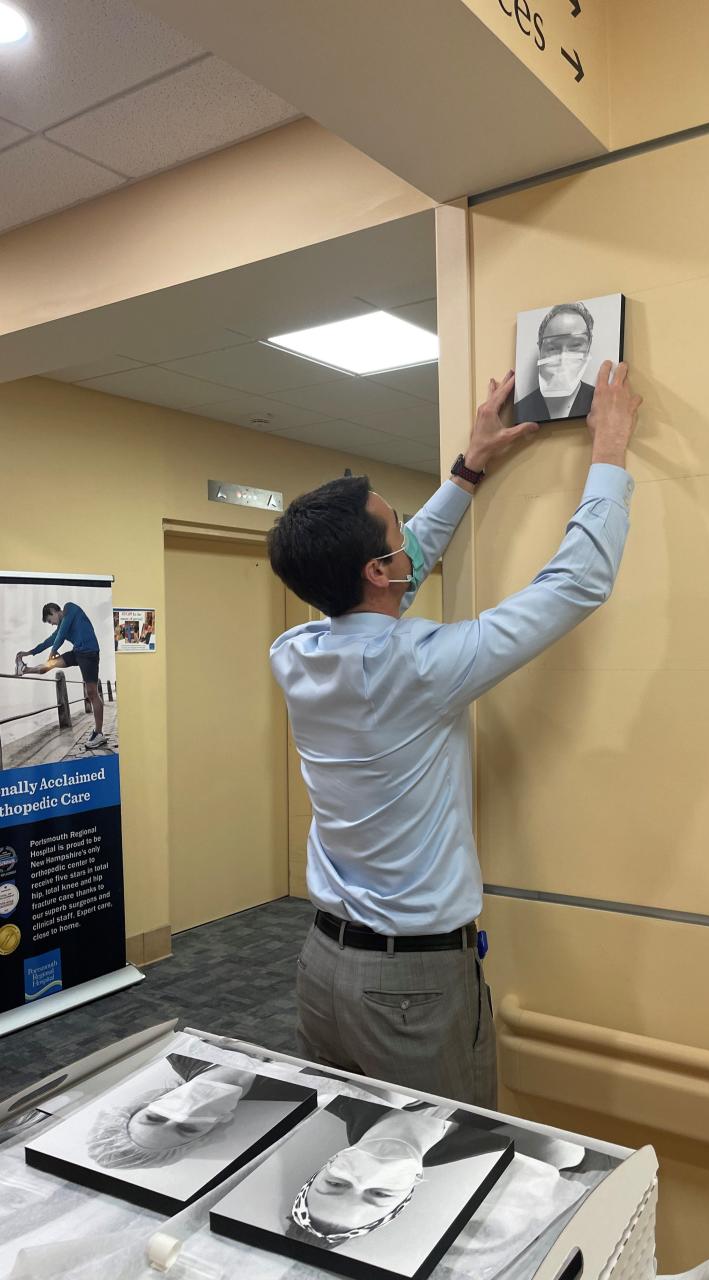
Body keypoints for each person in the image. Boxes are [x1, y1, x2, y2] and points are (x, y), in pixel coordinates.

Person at [267, 361, 641, 1107]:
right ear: (379, 568)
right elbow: (573, 586)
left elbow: (394, 577)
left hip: (322, 968)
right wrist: (608, 456)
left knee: (348, 1159)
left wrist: (467, 471)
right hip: (410, 989)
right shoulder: (418, 667)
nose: (410, 536)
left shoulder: (295, 655)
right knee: (444, 1173)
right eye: (397, 529)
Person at [290, 1095, 508, 1245]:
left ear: (330, 1163)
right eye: (379, 1193)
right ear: (407, 1195)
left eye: (336, 1184)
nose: (369, 1176)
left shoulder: (330, 1090)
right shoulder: (502, 1137)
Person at [86, 1055, 295, 1169]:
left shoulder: (181, 1051)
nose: (182, 1114)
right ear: (217, 1125)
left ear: (149, 1102)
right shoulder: (296, 1092)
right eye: (187, 1128)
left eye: (155, 1117)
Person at [16, 601, 106, 750]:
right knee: (49, 665)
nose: (52, 624)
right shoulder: (60, 626)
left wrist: (53, 651)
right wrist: (29, 652)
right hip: (77, 652)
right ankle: (23, 669)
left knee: (91, 692)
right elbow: (48, 642)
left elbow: (62, 633)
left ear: (54, 611)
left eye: (51, 621)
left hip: (90, 653)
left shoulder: (70, 608)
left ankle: (99, 733)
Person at [514, 301, 597, 423]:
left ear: (588, 347)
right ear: (540, 349)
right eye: (553, 347)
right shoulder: (520, 411)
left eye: (575, 345)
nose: (564, 357)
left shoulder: (602, 404)